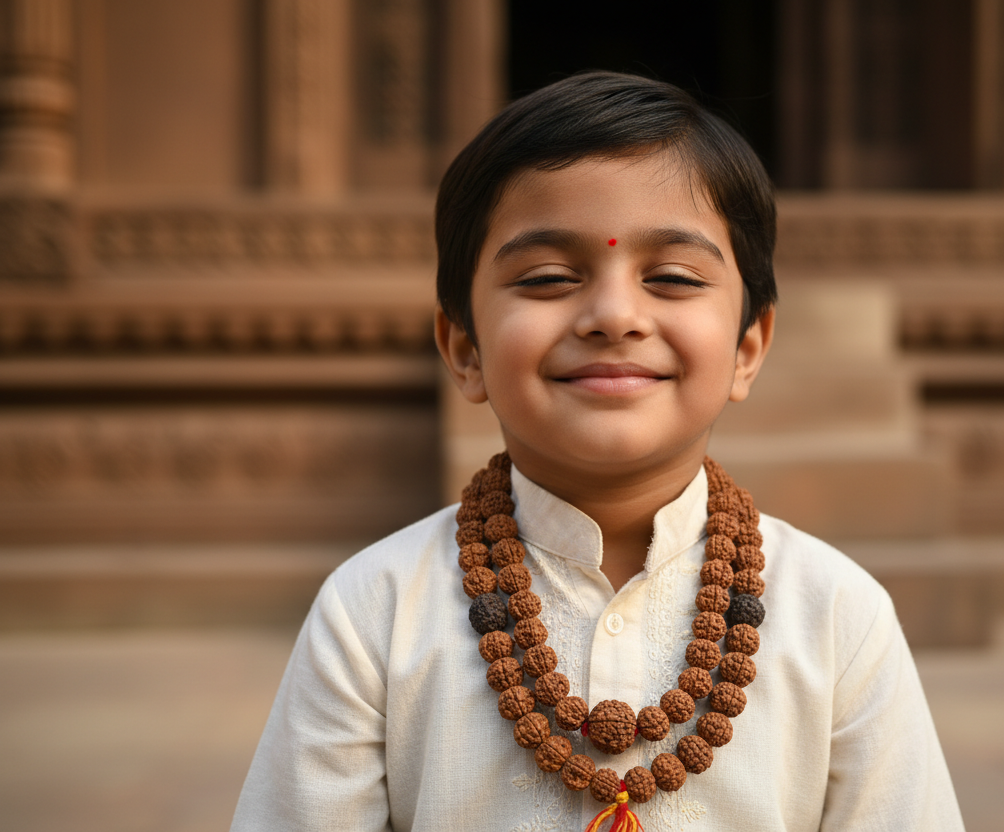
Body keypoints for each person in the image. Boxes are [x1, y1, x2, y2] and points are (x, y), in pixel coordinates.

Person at [231, 71, 963, 832]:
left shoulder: (837, 615)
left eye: (673, 278)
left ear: (748, 347)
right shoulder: (373, 612)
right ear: (464, 347)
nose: (614, 315)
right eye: (548, 278)